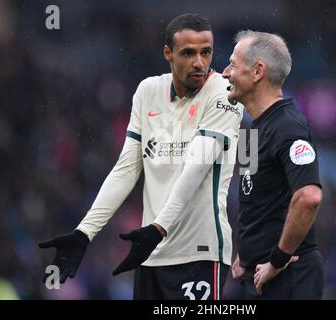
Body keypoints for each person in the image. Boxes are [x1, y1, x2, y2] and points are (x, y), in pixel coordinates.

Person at [39, 14, 243, 300]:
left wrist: (158, 228)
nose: (199, 62)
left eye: (205, 52)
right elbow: (126, 169)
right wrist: (84, 232)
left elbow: (197, 168)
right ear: (168, 54)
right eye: (188, 53)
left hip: (198, 252)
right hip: (149, 253)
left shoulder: (223, 92)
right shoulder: (148, 91)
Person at [222, 30, 323, 299]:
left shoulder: (288, 127)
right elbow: (253, 197)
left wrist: (277, 259)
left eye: (233, 64)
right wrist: (247, 251)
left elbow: (309, 196)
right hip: (258, 276)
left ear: (257, 72)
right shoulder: (250, 131)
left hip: (288, 275)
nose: (224, 73)